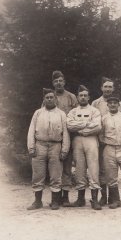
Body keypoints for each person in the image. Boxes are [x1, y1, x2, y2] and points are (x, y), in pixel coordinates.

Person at [27, 89, 70, 210]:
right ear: (44, 99)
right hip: (40, 145)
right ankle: (37, 201)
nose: (50, 99)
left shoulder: (61, 114)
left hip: (56, 146)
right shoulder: (38, 113)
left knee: (56, 174)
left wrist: (64, 150)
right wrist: (31, 148)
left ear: (55, 99)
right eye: (47, 97)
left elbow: (66, 133)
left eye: (52, 97)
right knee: (38, 174)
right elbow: (31, 131)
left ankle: (55, 201)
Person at [43, 70, 78, 206]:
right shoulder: (49, 97)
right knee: (55, 168)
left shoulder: (71, 97)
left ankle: (65, 197)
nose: (58, 83)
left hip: (69, 135)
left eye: (60, 81)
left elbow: (77, 114)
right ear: (53, 83)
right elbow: (44, 115)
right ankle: (56, 197)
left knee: (67, 167)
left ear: (64, 82)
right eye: (56, 81)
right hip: (54, 138)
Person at [67, 85, 102, 210]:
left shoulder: (94, 111)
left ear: (89, 97)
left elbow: (97, 126)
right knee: (79, 169)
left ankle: (94, 199)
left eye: (85, 95)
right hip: (77, 141)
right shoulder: (73, 112)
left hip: (91, 140)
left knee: (93, 169)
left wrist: (81, 129)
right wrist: (86, 124)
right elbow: (70, 125)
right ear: (77, 97)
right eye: (80, 95)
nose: (83, 97)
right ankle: (80, 199)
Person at [92, 77, 121, 206]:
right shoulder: (96, 103)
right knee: (101, 170)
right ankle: (103, 197)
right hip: (99, 141)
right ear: (101, 88)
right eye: (106, 86)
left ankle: (113, 198)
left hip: (112, 142)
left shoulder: (117, 103)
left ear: (113, 89)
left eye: (110, 87)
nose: (108, 89)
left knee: (112, 170)